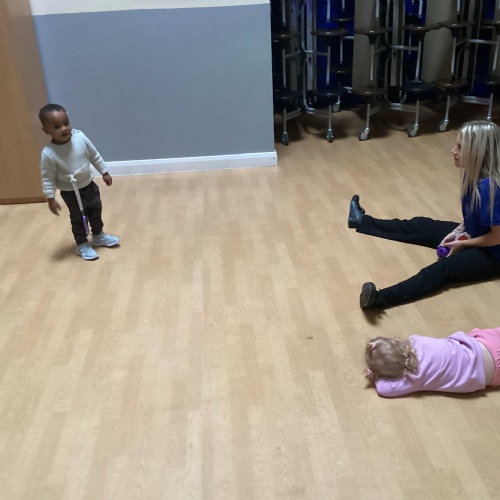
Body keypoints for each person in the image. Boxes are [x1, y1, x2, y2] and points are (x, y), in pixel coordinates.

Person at [348, 120, 500, 309]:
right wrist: (458, 231)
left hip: (493, 255)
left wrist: (462, 243)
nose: (453, 151)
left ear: (478, 152)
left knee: (442, 269)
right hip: (476, 235)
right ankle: (362, 221)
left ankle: (378, 299)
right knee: (420, 225)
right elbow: (472, 217)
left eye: (460, 147)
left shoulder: (490, 188)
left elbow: (497, 237)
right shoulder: (471, 174)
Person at [39, 104, 120, 261]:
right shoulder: (49, 154)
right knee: (78, 218)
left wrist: (104, 172)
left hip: (89, 185)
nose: (64, 128)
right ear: (46, 130)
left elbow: (94, 155)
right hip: (71, 192)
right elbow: (47, 177)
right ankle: (82, 244)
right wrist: (50, 198)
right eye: (57, 126)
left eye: (66, 123)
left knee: (95, 211)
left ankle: (98, 235)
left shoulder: (80, 138)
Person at [364, 327, 500, 397]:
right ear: (397, 341)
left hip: (492, 373)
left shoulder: (412, 379)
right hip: (483, 344)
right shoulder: (415, 340)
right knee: (475, 335)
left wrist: (376, 375)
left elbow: (383, 389)